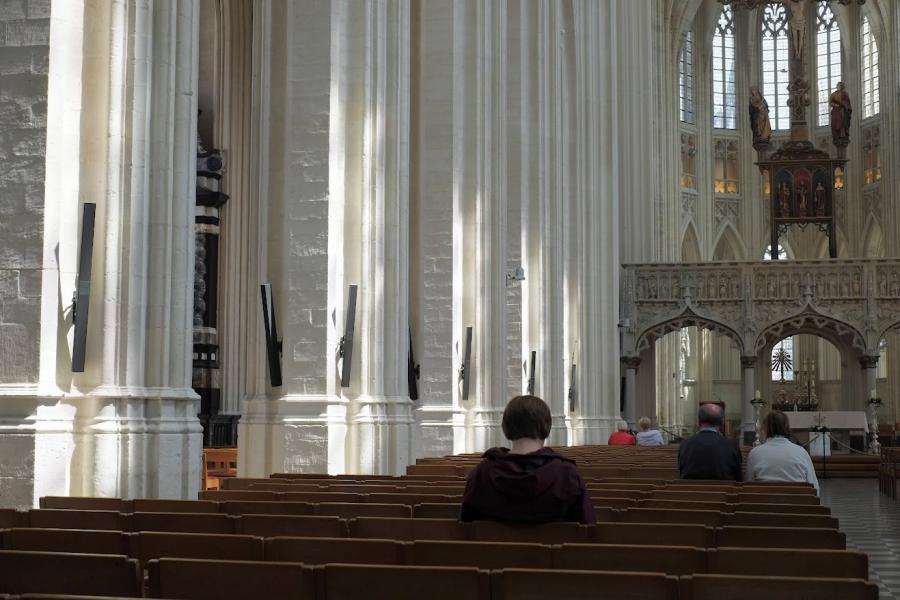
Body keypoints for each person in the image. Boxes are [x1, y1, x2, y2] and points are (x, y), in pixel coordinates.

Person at [460, 395, 596, 524]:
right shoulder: (567, 474)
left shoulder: (481, 473)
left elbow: (466, 526)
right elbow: (587, 528)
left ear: (505, 426)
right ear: (547, 426)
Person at [745, 410, 819, 494]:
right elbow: (814, 488)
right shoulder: (801, 452)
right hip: (798, 505)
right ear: (786, 428)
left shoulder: (755, 453)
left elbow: (749, 485)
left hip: (765, 504)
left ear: (766, 429)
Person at [678, 403, 742, 481]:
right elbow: (738, 478)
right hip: (724, 491)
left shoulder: (685, 444)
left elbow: (681, 473)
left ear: (699, 422)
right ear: (721, 423)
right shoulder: (732, 445)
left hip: (690, 492)